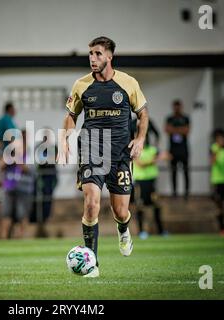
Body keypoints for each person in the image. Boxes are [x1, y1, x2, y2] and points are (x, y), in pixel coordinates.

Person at [57, 36, 149, 278]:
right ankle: (92, 264)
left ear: (109, 56)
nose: (92, 58)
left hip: (120, 154)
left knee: (120, 211)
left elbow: (143, 115)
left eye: (98, 54)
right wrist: (63, 141)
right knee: (91, 204)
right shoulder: (81, 85)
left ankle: (124, 228)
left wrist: (139, 140)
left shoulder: (128, 83)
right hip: (92, 150)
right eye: (90, 54)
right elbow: (70, 117)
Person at [0, 130, 36, 239]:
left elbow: (31, 170)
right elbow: (0, 165)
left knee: (22, 214)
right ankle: (3, 236)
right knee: (6, 213)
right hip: (9, 186)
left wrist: (18, 159)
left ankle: (22, 236)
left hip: (24, 187)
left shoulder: (30, 154)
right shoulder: (10, 152)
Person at [131, 135, 168, 239]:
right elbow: (140, 164)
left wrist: (161, 157)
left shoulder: (153, 149)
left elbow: (167, 156)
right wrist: (156, 159)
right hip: (140, 182)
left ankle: (161, 231)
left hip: (152, 182)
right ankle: (141, 231)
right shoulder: (136, 149)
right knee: (140, 206)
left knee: (156, 206)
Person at [165, 100, 190, 199]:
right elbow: (167, 129)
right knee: (173, 172)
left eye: (178, 107)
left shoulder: (186, 118)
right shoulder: (169, 118)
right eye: (175, 107)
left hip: (184, 149)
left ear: (181, 107)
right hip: (173, 149)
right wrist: (180, 130)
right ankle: (174, 192)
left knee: (186, 172)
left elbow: (187, 130)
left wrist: (174, 130)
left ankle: (186, 192)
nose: (177, 109)